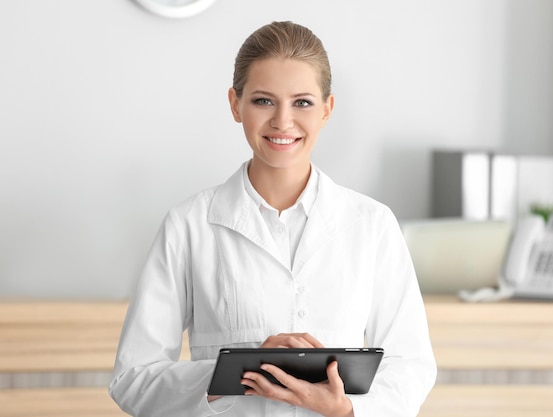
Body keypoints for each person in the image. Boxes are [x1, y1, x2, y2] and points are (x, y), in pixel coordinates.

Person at [109, 21, 436, 417]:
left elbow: (412, 365)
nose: (283, 121)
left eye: (302, 102)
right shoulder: (189, 225)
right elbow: (133, 379)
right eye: (264, 101)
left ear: (327, 109)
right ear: (235, 104)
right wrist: (236, 371)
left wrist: (348, 409)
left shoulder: (371, 225)